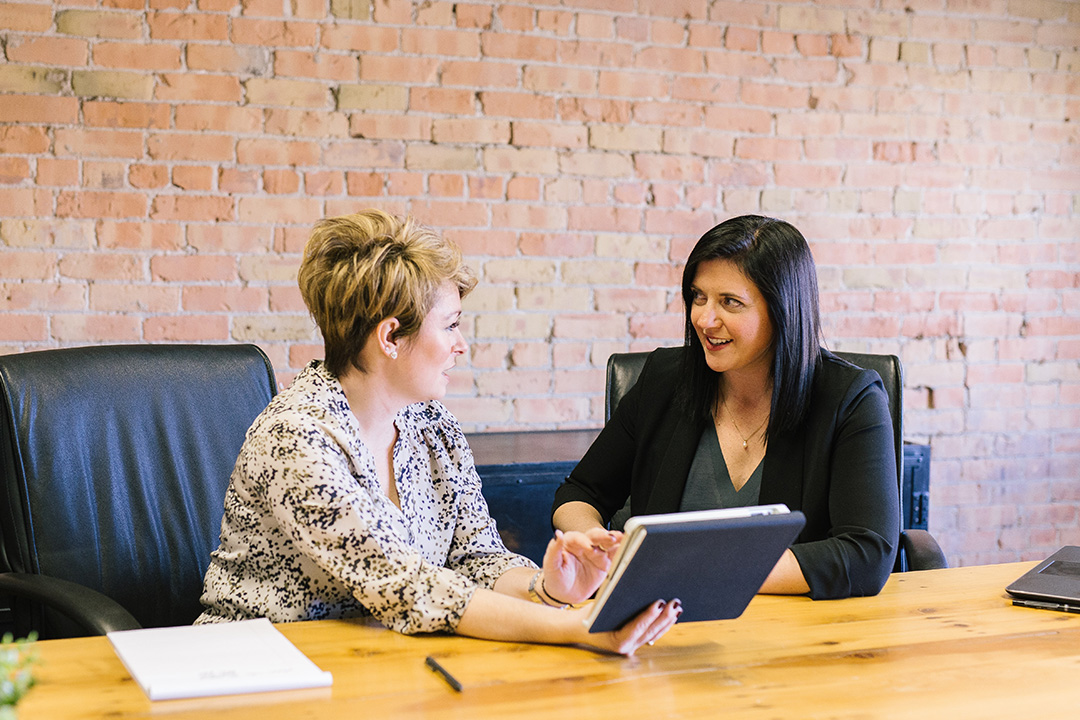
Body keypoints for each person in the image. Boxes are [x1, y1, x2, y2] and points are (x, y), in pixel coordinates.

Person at [195, 210, 680, 655]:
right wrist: (578, 628)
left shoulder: (431, 424)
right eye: (450, 325)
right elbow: (407, 586)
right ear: (390, 337)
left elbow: (476, 557)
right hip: (256, 668)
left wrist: (548, 589)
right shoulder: (297, 437)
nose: (461, 345)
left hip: (380, 662)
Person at [552, 215, 900, 600]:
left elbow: (866, 553)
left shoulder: (851, 399)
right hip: (660, 625)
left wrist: (696, 571)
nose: (704, 318)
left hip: (793, 631)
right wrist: (591, 542)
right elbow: (580, 492)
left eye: (730, 302)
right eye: (698, 297)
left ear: (783, 309)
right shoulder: (665, 380)